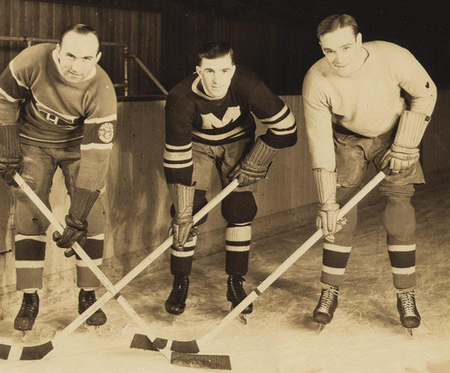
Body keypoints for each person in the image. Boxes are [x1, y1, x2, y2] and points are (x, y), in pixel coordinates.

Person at [302, 14, 437, 331]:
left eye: (346, 47)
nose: (338, 59)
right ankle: (329, 290)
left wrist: (405, 144)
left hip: (395, 135)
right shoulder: (316, 80)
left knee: (399, 210)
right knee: (341, 214)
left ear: (359, 40)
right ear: (321, 48)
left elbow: (425, 93)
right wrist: (327, 202)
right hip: (348, 140)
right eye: (329, 51)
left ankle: (406, 294)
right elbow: (319, 143)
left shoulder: (392, 56)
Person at [0, 24, 117, 331]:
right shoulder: (32, 60)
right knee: (30, 214)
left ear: (97, 58)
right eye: (69, 55)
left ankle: (88, 293)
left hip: (78, 146)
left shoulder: (102, 91)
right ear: (56, 51)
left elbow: (96, 156)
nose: (76, 65)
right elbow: (3, 95)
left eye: (86, 58)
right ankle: (29, 298)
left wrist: (79, 215)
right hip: (32, 141)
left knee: (93, 217)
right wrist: (6, 148)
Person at [163, 41, 297, 317]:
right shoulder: (180, 98)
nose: (216, 80)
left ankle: (235, 281)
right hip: (196, 146)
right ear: (198, 70)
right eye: (209, 71)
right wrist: (184, 210)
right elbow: (177, 157)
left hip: (238, 142)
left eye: (224, 71)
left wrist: (256, 159)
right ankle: (180, 280)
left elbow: (287, 129)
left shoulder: (247, 84)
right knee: (189, 212)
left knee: (240, 210)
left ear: (232, 70)